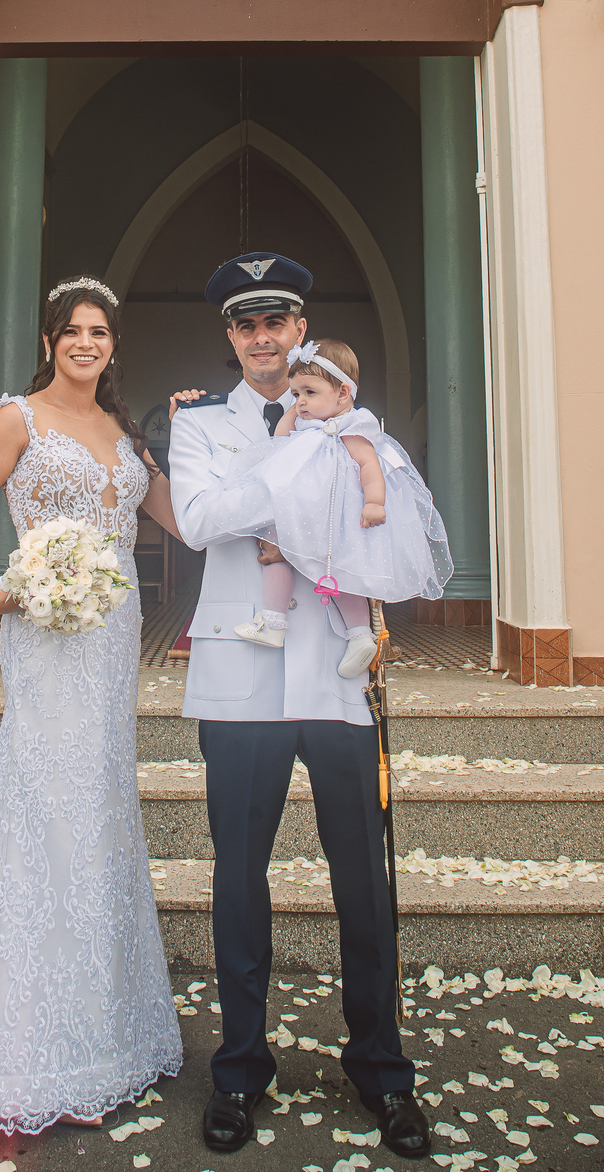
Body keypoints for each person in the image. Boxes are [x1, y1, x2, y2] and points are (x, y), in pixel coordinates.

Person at [0, 278, 182, 1143]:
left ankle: (103, 1039)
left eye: (100, 332)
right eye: (72, 331)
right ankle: (36, 1052)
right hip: (48, 640)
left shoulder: (126, 435)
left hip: (112, 644)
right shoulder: (16, 420)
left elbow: (186, 520)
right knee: (47, 818)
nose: (86, 343)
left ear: (114, 346)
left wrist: (221, 445)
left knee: (99, 817)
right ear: (51, 340)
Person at [168, 254, 431, 1161]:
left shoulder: (350, 415)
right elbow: (199, 522)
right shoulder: (199, 424)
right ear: (230, 336)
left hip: (334, 670)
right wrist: (293, 469)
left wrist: (294, 482)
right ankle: (241, 1068)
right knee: (240, 875)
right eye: (246, 324)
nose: (263, 337)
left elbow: (382, 516)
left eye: (276, 321)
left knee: (364, 878)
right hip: (241, 671)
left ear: (300, 328)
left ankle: (382, 1070)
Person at [228, 337, 454, 678]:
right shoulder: (305, 425)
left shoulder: (351, 428)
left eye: (309, 392)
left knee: (344, 575)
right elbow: (279, 440)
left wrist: (374, 502)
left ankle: (360, 636)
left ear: (343, 393)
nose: (301, 401)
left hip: (339, 521)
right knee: (275, 552)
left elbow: (370, 467)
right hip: (305, 515)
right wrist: (294, 409)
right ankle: (272, 621)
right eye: (296, 394)